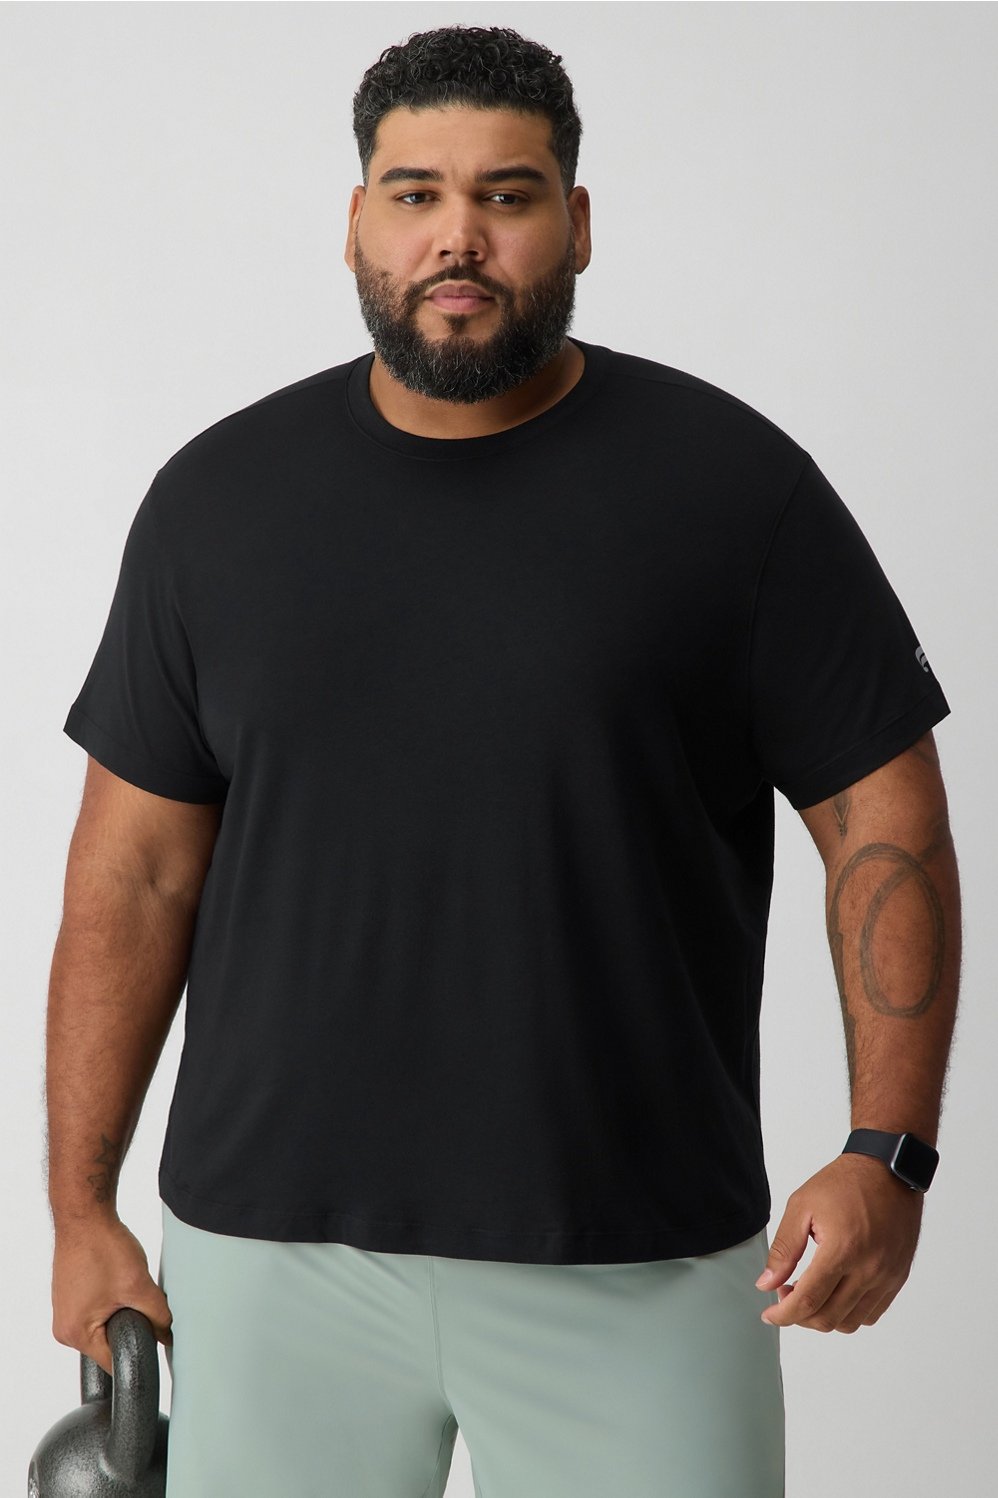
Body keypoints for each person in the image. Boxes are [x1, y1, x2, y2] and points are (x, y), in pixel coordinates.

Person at [46, 23, 960, 1498]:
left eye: (506, 194)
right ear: (356, 221)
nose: (456, 236)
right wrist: (80, 1207)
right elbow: (134, 873)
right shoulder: (215, 504)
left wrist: (889, 1149)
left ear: (576, 223)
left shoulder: (738, 492)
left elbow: (884, 818)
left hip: (640, 1257)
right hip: (272, 1259)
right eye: (414, 193)